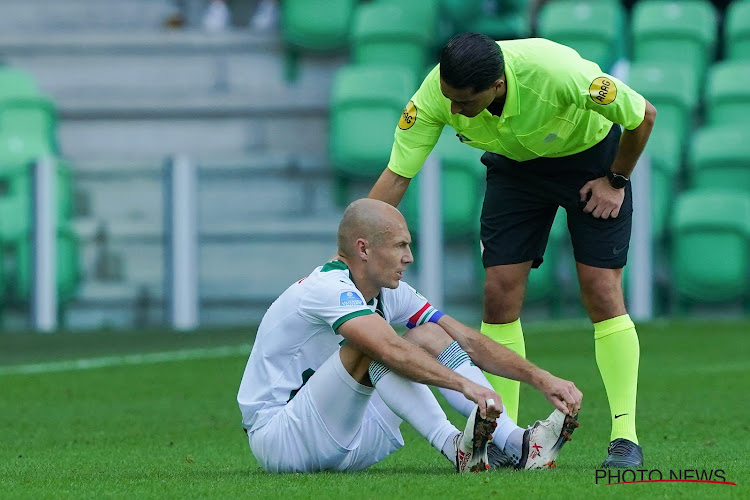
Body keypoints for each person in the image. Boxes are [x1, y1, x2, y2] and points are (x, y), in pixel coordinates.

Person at [367, 34, 656, 468]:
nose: (454, 111)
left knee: (601, 291)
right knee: (499, 293)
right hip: (515, 171)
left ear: (497, 86)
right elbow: (397, 175)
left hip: (591, 160)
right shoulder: (437, 93)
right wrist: (356, 251)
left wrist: (616, 180)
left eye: (464, 103)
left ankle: (625, 436)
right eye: (449, 97)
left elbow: (643, 116)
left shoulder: (560, 74)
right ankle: (511, 438)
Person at [238, 198, 582, 473]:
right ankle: (453, 445)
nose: (409, 257)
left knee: (430, 334)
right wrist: (466, 386)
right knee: (374, 346)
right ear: (363, 249)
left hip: (352, 435)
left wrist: (541, 378)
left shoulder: (390, 290)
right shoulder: (326, 288)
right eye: (400, 246)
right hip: (283, 440)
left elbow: (467, 341)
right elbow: (386, 348)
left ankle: (518, 443)